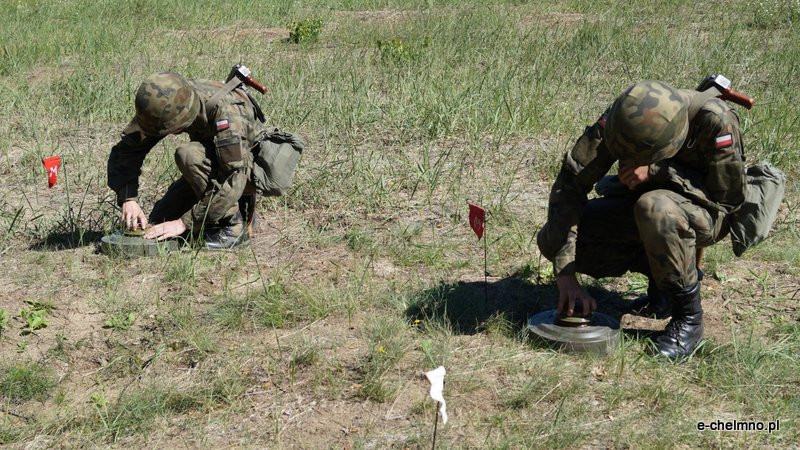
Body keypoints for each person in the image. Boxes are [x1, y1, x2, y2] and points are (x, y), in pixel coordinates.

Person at [537, 80, 747, 358]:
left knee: (655, 207)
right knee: (556, 236)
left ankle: (688, 318)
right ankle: (663, 283)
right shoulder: (624, 119)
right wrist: (565, 274)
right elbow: (571, 183)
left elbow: (728, 199)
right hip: (644, 209)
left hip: (705, 213)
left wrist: (660, 171)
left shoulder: (716, 121)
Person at [107, 71, 265, 250]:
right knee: (160, 219)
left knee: (188, 154)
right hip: (216, 161)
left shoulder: (228, 114)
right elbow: (128, 150)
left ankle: (233, 228)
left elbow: (234, 178)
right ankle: (217, 211)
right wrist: (128, 198)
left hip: (245, 171)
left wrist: (184, 223)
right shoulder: (168, 100)